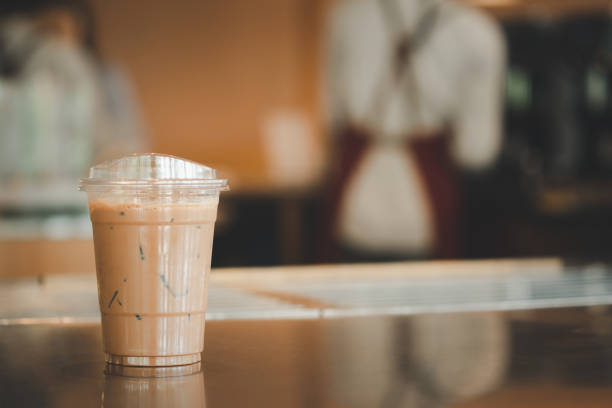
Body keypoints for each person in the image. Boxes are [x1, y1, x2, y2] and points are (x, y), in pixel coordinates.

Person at [321, 0, 505, 260]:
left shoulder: (346, 15)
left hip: (356, 204)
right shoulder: (477, 31)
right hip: (424, 213)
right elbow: (477, 152)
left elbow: (330, 117)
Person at [0, 0, 146, 210]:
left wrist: (112, 163)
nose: (57, 42)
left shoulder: (103, 78)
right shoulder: (15, 87)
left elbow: (129, 145)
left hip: (80, 206)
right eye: (47, 30)